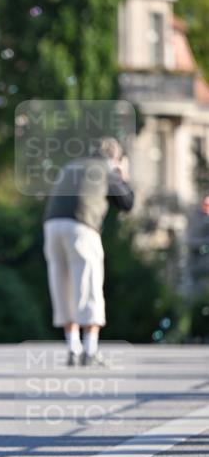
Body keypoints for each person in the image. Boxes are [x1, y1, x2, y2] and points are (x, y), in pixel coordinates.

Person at [43, 137, 134, 366]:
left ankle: (73, 347)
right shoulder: (106, 168)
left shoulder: (72, 165)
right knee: (88, 284)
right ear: (115, 157)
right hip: (82, 227)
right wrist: (123, 175)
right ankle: (90, 349)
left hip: (52, 226)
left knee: (62, 285)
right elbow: (126, 203)